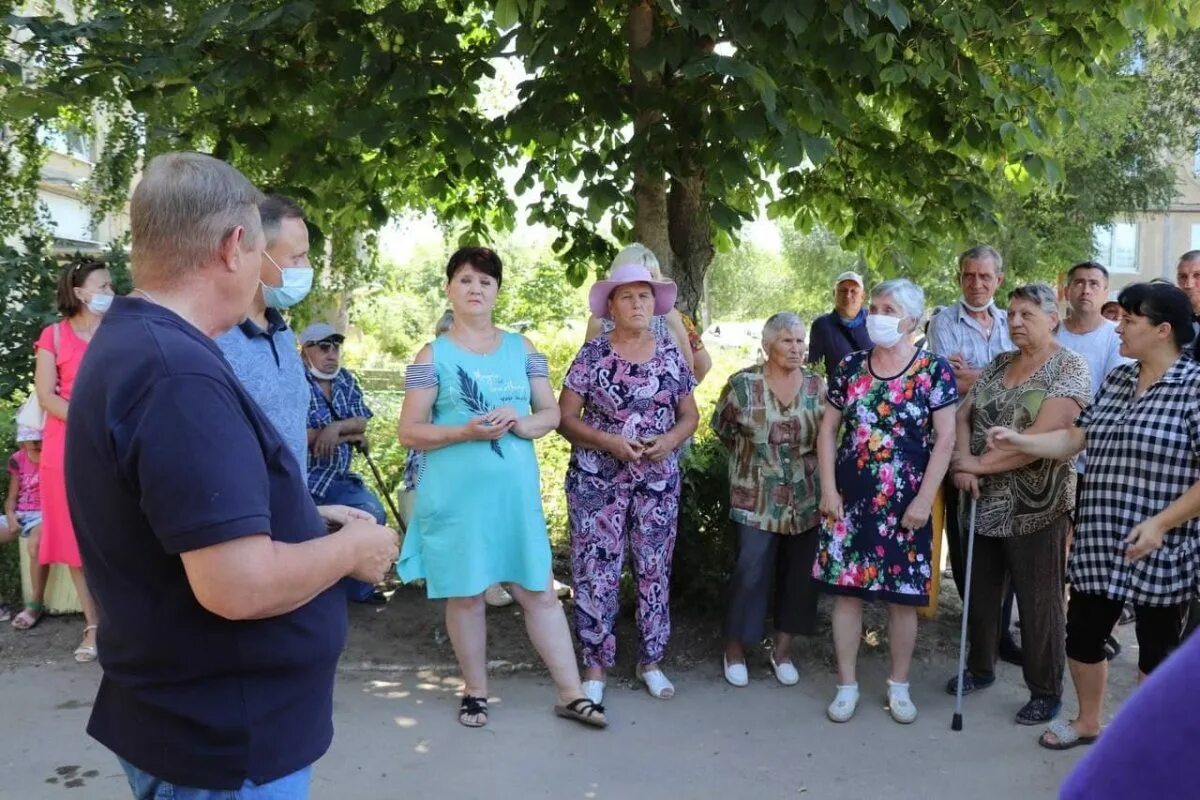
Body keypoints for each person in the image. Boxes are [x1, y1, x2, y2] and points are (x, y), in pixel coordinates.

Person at [64, 151, 399, 798]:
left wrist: (308, 518)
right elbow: (236, 587)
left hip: (192, 719)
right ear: (235, 246)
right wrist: (351, 547)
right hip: (223, 740)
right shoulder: (176, 374)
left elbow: (174, 512)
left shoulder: (139, 343)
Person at [397, 246, 605, 729]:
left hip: (514, 499)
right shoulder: (432, 355)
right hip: (455, 498)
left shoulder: (523, 348)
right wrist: (464, 431)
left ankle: (571, 694)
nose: (475, 289)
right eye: (466, 280)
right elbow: (409, 431)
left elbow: (551, 415)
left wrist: (521, 422)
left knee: (539, 592)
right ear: (450, 288)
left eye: (485, 282)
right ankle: (475, 692)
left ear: (497, 291)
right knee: (467, 595)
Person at [987, 282, 1200, 750]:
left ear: (1163, 330)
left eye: (1129, 320)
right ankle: (1087, 722)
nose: (1118, 327)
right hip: (1101, 535)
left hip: (1162, 545)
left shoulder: (1194, 388)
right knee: (1082, 637)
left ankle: (1146, 739)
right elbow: (1073, 439)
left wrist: (1162, 522)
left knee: (1157, 650)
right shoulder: (1119, 379)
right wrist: (1021, 440)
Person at [814, 278, 957, 724]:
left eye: (888, 308)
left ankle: (899, 687)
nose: (876, 314)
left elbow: (946, 437)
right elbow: (826, 431)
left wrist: (924, 499)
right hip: (849, 501)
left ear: (911, 320)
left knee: (902, 599)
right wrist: (827, 488)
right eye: (874, 306)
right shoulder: (852, 366)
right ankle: (846, 686)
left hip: (906, 506)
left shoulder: (933, 370)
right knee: (848, 598)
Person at [947, 283, 1091, 726]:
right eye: (1011, 314)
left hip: (1037, 507)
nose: (1014, 322)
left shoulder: (1069, 368)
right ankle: (980, 667)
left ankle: (1046, 690)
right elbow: (962, 414)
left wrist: (975, 464)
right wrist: (964, 466)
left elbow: (1039, 444)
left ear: (1053, 318)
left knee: (1039, 602)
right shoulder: (998, 363)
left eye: (1026, 314)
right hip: (982, 499)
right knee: (981, 593)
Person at [560, 261, 699, 704]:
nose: (637, 304)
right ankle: (595, 668)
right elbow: (564, 419)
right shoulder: (592, 355)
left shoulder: (671, 353)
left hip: (657, 481)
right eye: (627, 296)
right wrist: (608, 442)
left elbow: (690, 415)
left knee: (654, 569)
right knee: (595, 570)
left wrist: (670, 441)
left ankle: (651, 661)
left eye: (644, 296)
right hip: (597, 482)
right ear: (611, 307)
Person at [713, 313, 823, 688]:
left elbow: (827, 437)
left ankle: (782, 651)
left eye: (800, 341)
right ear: (767, 346)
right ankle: (735, 650)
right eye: (787, 341)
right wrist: (756, 462)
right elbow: (723, 429)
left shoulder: (817, 386)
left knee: (798, 577)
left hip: (806, 498)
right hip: (755, 497)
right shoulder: (743, 386)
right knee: (750, 574)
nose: (796, 348)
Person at [927, 244, 1020, 663]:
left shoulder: (1011, 319)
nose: (977, 284)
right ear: (959, 277)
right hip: (961, 449)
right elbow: (946, 383)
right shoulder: (943, 322)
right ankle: (981, 630)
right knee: (967, 544)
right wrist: (1001, 372)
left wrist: (976, 374)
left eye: (985, 276)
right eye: (969, 275)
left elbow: (1027, 375)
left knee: (1009, 539)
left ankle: (1000, 631)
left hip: (1013, 449)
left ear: (999, 280)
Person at [34, 256, 113, 662]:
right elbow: (47, 396)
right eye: (102, 287)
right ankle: (94, 626)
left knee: (118, 531)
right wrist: (90, 421)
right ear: (80, 293)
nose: (109, 293)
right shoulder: (54, 336)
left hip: (115, 445)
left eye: (111, 286)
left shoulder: (118, 331)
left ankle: (130, 624)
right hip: (65, 448)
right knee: (75, 540)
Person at [215, 194, 313, 470]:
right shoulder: (215, 338)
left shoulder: (283, 335)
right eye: (297, 257)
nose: (307, 268)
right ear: (257, 253)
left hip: (290, 512)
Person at [302, 322, 389, 604]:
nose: (332, 354)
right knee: (306, 527)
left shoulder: (345, 379)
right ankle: (308, 590)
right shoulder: (293, 380)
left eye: (336, 347)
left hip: (338, 477)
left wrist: (333, 431)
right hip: (303, 480)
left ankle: (358, 592)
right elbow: (295, 434)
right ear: (306, 350)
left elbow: (361, 421)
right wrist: (346, 434)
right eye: (324, 347)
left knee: (371, 514)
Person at [583, 243, 696, 375]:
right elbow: (585, 374)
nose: (637, 302)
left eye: (650, 276)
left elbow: (688, 374)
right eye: (627, 294)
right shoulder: (598, 322)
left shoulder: (671, 317)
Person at [4, 425, 49, 630]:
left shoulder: (53, 455)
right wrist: (12, 517)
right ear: (23, 442)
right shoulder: (18, 459)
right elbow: (11, 499)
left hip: (45, 515)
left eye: (41, 441)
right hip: (21, 514)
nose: (37, 445)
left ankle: (35, 604)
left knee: (36, 545)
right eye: (32, 443)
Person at [806, 271, 873, 377]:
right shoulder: (821, 326)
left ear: (863, 296)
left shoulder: (874, 320)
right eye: (842, 290)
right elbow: (815, 369)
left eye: (853, 291)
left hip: (875, 391)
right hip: (839, 392)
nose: (847, 295)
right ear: (834, 294)